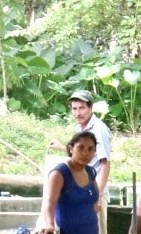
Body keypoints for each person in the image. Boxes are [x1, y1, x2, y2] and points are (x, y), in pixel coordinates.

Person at [34, 131, 120, 234]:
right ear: (70, 149)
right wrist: (49, 224)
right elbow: (49, 202)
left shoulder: (90, 171)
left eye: (90, 149)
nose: (85, 153)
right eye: (81, 148)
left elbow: (93, 195)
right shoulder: (60, 173)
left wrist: (93, 206)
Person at [48, 90, 111, 225]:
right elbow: (79, 156)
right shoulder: (80, 128)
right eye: (74, 109)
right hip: (80, 191)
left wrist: (98, 196)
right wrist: (61, 147)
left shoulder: (99, 129)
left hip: (94, 193)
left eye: (82, 108)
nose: (78, 113)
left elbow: (105, 163)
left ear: (91, 108)